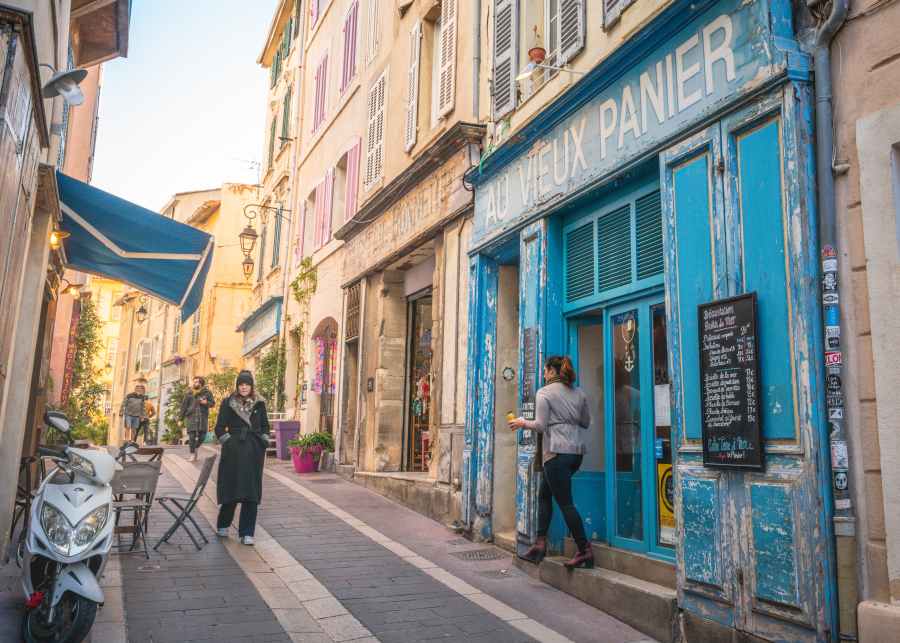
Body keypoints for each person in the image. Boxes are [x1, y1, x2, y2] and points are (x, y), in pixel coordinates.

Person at [508, 355, 593, 569]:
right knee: (544, 494)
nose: (544, 375)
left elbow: (540, 425)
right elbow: (585, 422)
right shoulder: (579, 392)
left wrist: (521, 422)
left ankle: (584, 550)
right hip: (576, 453)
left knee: (565, 503)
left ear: (552, 372)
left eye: (545, 371)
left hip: (555, 453)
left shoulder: (544, 392)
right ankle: (540, 543)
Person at [213, 370, 269, 546]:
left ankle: (247, 533)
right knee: (232, 488)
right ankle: (223, 524)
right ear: (237, 386)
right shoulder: (228, 403)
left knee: (251, 492)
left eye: (247, 384)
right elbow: (220, 428)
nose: (244, 387)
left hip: (254, 451)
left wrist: (263, 443)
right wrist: (229, 443)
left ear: (251, 386)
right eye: (241, 384)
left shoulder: (259, 404)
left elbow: (265, 426)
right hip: (233, 452)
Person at [181, 377, 215, 462]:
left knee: (203, 436)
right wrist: (180, 418)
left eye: (197, 382)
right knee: (191, 436)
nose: (194, 383)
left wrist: (206, 403)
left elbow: (212, 403)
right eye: (194, 382)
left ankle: (195, 448)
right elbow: (184, 406)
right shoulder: (189, 393)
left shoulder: (207, 393)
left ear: (201, 383)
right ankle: (192, 453)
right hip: (191, 417)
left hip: (202, 417)